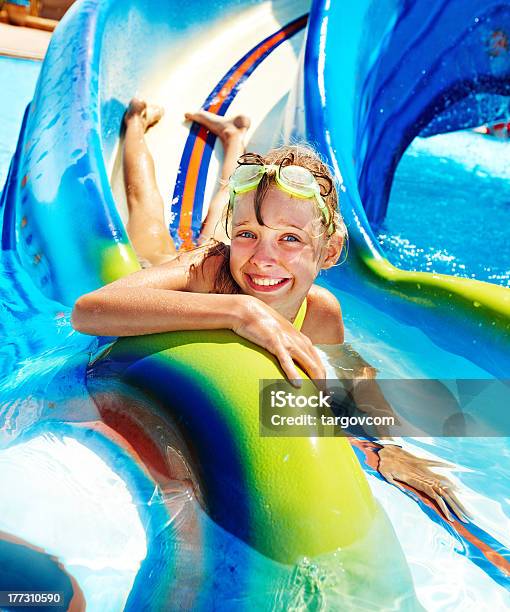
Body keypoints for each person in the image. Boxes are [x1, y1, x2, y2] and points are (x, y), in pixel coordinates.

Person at [72, 99, 468, 523]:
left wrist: (384, 448)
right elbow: (89, 311)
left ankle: (234, 137)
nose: (264, 259)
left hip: (225, 257)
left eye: (290, 240)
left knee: (233, 215)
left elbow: (353, 380)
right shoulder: (209, 269)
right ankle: (136, 126)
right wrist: (240, 310)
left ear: (329, 251)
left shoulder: (320, 312)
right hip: (204, 270)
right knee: (149, 224)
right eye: (250, 235)